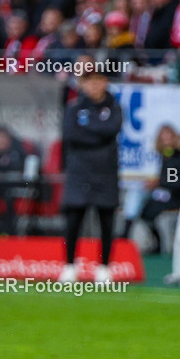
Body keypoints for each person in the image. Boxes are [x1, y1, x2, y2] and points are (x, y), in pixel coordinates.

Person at [59, 62, 123, 283]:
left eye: (98, 80)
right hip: (79, 172)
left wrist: (89, 128)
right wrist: (98, 134)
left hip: (105, 172)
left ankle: (104, 267)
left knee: (106, 221)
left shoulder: (114, 107)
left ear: (105, 82)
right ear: (82, 84)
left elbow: (111, 129)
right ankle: (69, 265)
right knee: (73, 221)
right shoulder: (73, 108)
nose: (94, 85)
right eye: (89, 81)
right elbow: (71, 135)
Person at [129, 124, 180, 254]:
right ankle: (156, 243)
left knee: (152, 209)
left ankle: (160, 246)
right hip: (169, 193)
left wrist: (161, 183)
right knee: (146, 209)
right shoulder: (167, 155)